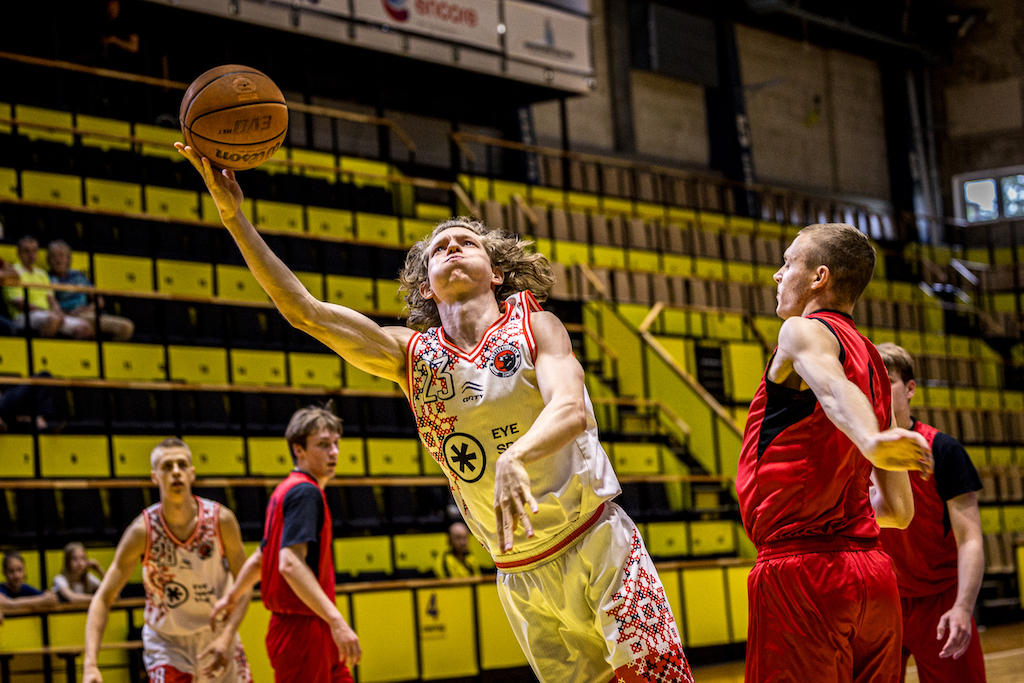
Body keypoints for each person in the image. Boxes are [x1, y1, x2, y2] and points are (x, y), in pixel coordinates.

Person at [180, 142, 692, 683]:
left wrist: (516, 456)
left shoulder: (535, 325)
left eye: (465, 242)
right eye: (439, 247)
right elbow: (305, 312)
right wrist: (234, 219)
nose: (451, 246)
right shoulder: (412, 357)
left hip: (596, 541)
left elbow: (571, 410)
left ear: (495, 273)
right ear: (426, 285)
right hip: (519, 572)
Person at [736, 223, 935, 683]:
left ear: (818, 277)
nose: (777, 274)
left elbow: (831, 385)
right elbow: (899, 511)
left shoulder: (800, 332)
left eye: (788, 263)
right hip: (874, 578)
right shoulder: (875, 364)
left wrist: (871, 441)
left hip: (803, 575)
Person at [210, 405, 360, 683]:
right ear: (298, 449)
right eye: (323, 445)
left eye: (336, 443)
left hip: (311, 624)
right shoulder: (306, 493)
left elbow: (261, 557)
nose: (334, 452)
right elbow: (289, 562)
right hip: (302, 629)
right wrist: (337, 620)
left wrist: (232, 597)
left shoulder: (286, 490)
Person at [83, 438, 252, 683]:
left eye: (182, 465)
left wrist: (227, 637)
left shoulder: (221, 520)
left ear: (192, 473)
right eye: (167, 466)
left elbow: (245, 585)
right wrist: (90, 664)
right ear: (154, 477)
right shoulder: (142, 531)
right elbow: (103, 597)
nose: (176, 471)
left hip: (217, 635)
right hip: (167, 642)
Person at [876, 343, 987, 683]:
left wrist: (963, 607)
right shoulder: (854, 451)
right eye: (871, 381)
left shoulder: (943, 449)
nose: (879, 390)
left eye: (888, 380)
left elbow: (969, 539)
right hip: (881, 602)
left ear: (910, 388)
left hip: (940, 601)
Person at [2, 236, 91, 338]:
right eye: (26, 251)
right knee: (55, 319)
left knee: (84, 327)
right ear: (19, 253)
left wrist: (57, 311)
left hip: (47, 314)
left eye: (34, 251)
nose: (31, 255)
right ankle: (42, 347)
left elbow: (51, 299)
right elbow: (21, 305)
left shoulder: (42, 273)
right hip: (23, 316)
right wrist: (49, 312)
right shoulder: (12, 272)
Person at [47, 240, 135, 341]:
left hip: (86, 314)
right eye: (54, 256)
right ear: (49, 260)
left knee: (126, 327)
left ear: (68, 259)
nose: (58, 260)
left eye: (61, 255)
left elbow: (99, 301)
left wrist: (87, 309)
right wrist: (67, 313)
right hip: (65, 317)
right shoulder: (46, 278)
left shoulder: (79, 275)